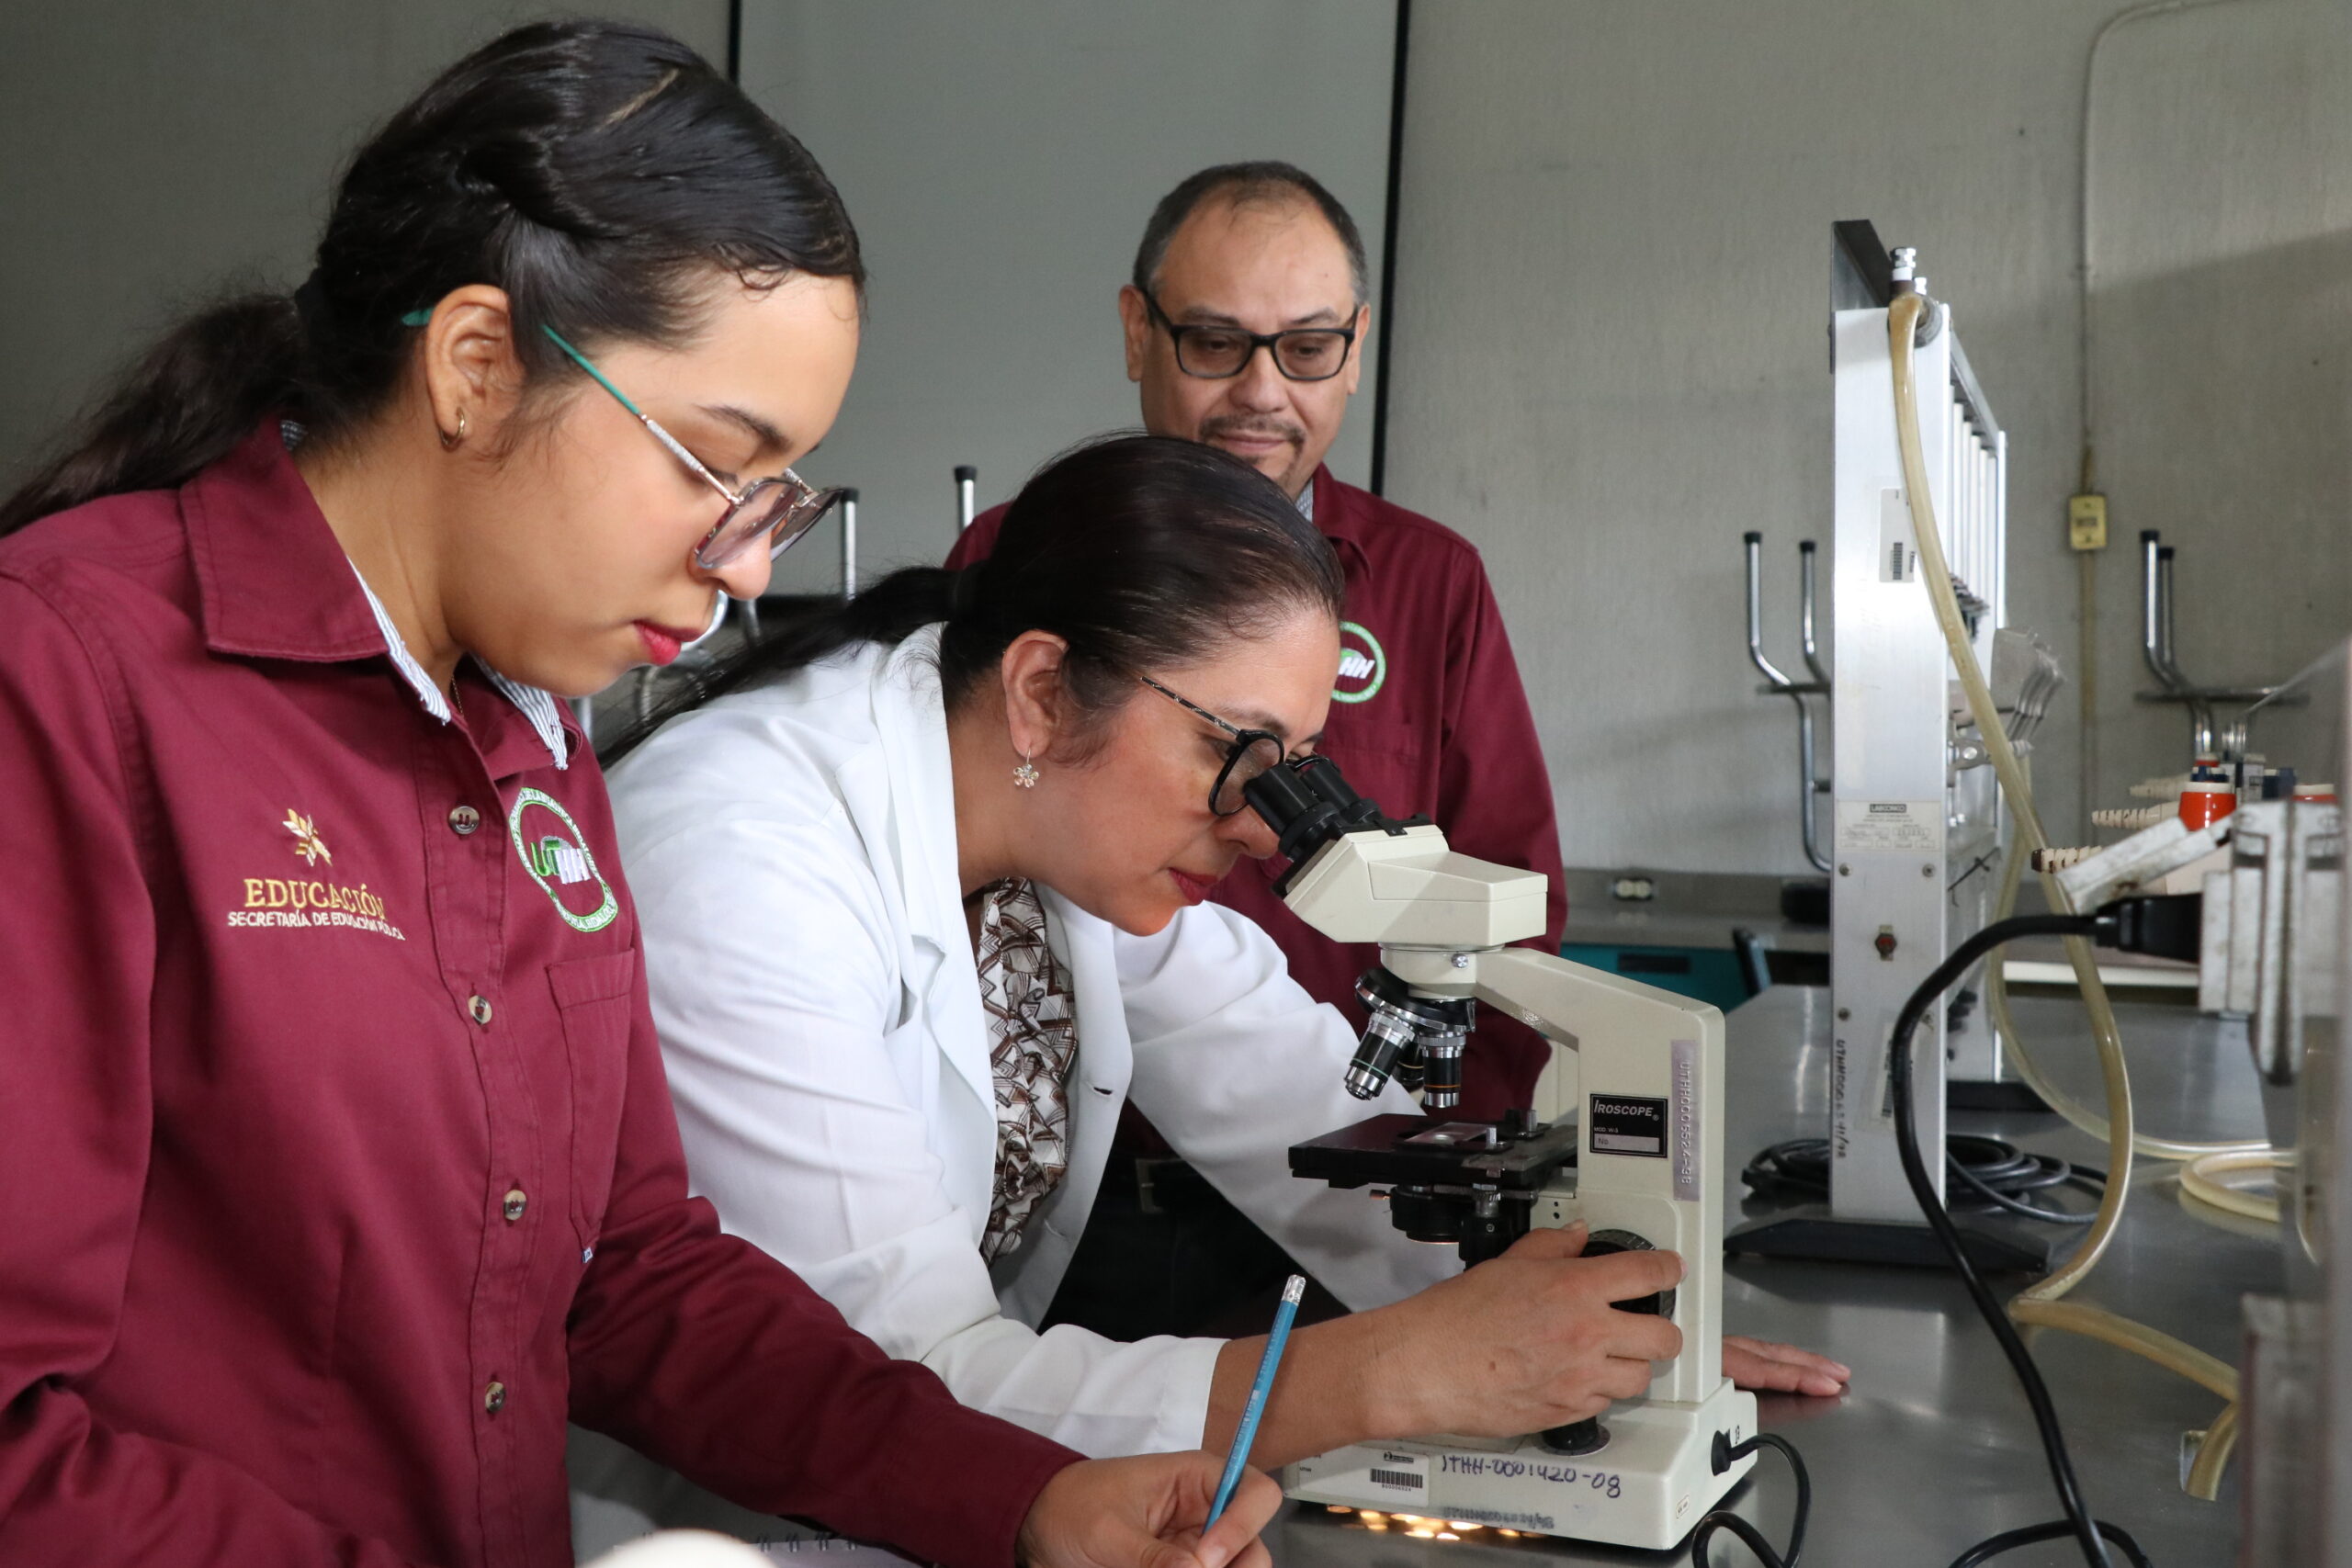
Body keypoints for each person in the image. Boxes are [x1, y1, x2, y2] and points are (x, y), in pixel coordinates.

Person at [0, 25, 1278, 1568]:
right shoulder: (70, 680)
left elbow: (632, 1276)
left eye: (779, 492)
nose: (744, 566)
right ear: (478, 367)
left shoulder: (528, 734)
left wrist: (1018, 1494)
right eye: (715, 466)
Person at [572, 435, 1847, 1541]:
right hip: (713, 1531)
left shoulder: (1051, 817)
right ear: (1040, 691)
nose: (1260, 823)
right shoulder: (742, 857)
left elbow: (1291, 1097)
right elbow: (903, 1384)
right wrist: (1391, 1370)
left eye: (1293, 765)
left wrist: (1584, 1323)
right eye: (1236, 753)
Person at [944, 161, 1564, 1339]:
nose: (1261, 392)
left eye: (1308, 347)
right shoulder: (1018, 564)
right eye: (1216, 343)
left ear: (1356, 346)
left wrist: (1470, 1216)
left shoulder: (1429, 581)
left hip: (1342, 1191)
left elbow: (1504, 905)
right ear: (1138, 332)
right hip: (1074, 1203)